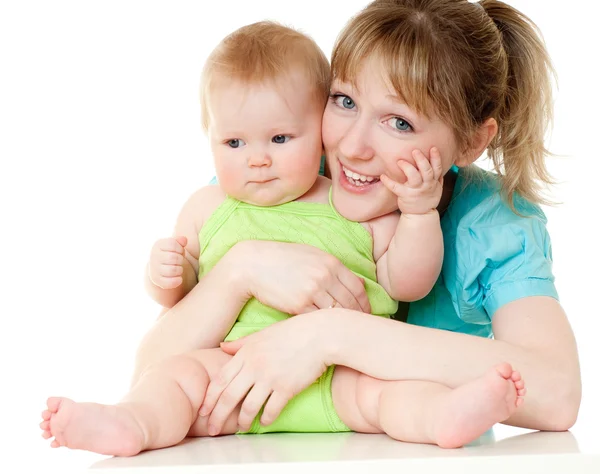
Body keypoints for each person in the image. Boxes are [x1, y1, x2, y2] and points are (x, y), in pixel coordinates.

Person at [42, 17, 524, 455]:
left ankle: (446, 417)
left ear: (314, 126)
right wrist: (163, 274)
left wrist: (419, 211)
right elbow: (179, 302)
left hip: (340, 379)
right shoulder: (207, 207)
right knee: (171, 381)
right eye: (234, 142)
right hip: (225, 379)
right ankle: (131, 425)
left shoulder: (360, 212)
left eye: (279, 139)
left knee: (392, 396)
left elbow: (408, 284)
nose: (257, 159)